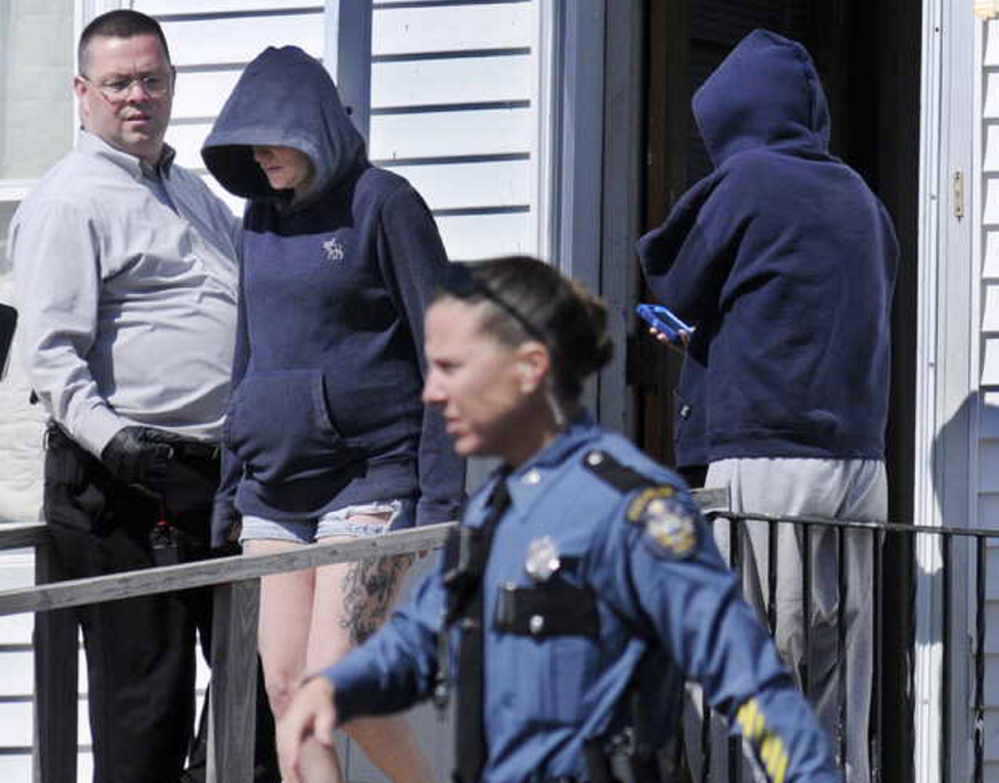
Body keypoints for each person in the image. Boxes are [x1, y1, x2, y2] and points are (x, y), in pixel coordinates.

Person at [275, 256, 841, 783]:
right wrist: (330, 689)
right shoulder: (492, 513)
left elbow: (748, 685)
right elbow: (416, 643)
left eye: (450, 367)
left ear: (530, 367)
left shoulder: (632, 509)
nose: (431, 392)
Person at [9, 11, 278, 783]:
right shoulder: (71, 198)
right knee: (143, 716)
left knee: (258, 685)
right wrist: (119, 441)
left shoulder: (189, 188)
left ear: (171, 85)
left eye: (152, 80)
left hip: (220, 480)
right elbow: (52, 356)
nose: (138, 96)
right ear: (82, 92)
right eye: (119, 82)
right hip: (123, 486)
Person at [637, 29, 898, 783]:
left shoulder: (746, 180)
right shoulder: (861, 195)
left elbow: (670, 281)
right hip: (857, 464)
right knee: (835, 671)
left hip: (765, 453)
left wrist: (690, 339)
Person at [200, 46, 465, 782]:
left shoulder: (385, 204)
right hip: (272, 492)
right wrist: (230, 484)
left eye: (272, 137)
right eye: (245, 142)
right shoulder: (256, 218)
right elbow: (247, 356)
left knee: (334, 687)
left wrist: (440, 498)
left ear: (312, 126)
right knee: (287, 693)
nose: (259, 155)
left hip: (369, 482)